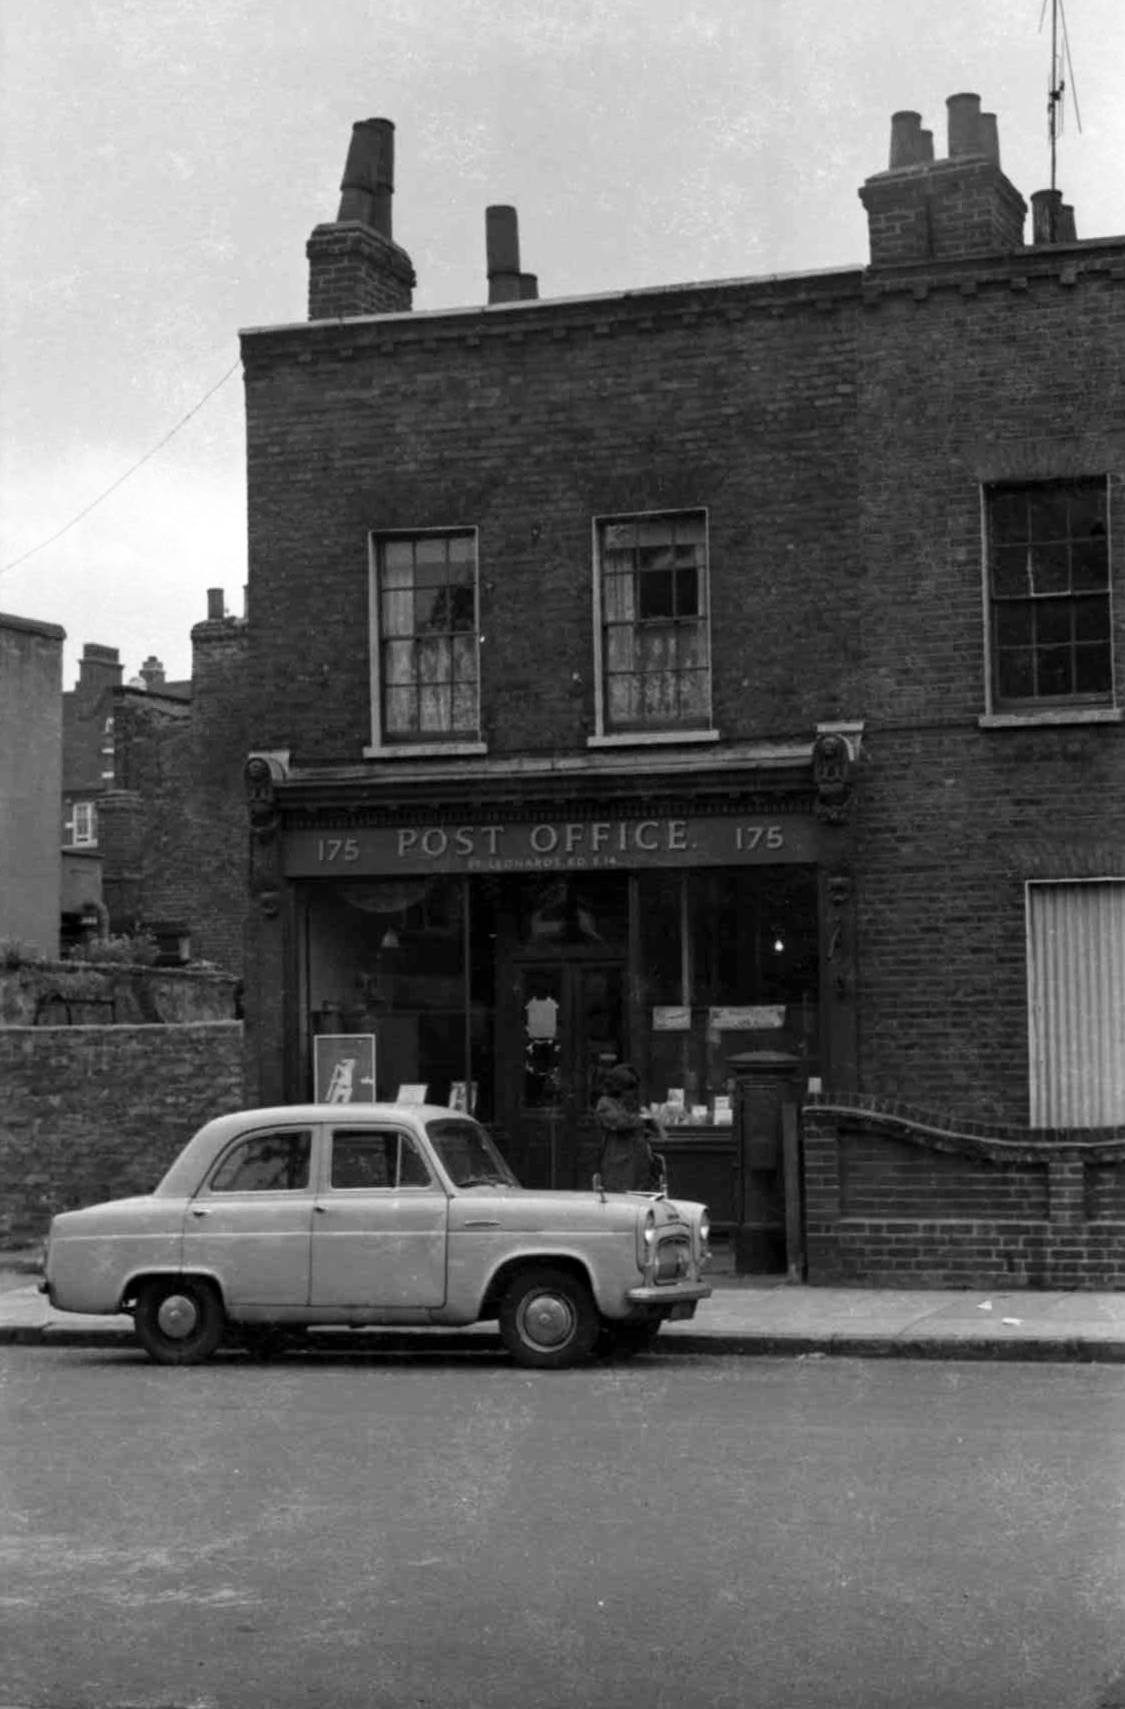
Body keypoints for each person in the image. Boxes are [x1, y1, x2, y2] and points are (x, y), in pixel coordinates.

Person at [594, 1064, 664, 1192]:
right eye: (629, 1089)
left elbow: (658, 1133)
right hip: (618, 1168)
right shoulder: (605, 1103)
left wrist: (652, 1124)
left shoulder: (633, 1105)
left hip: (639, 1167)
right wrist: (642, 1119)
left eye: (634, 1088)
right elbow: (618, 1122)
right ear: (618, 1088)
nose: (633, 1093)